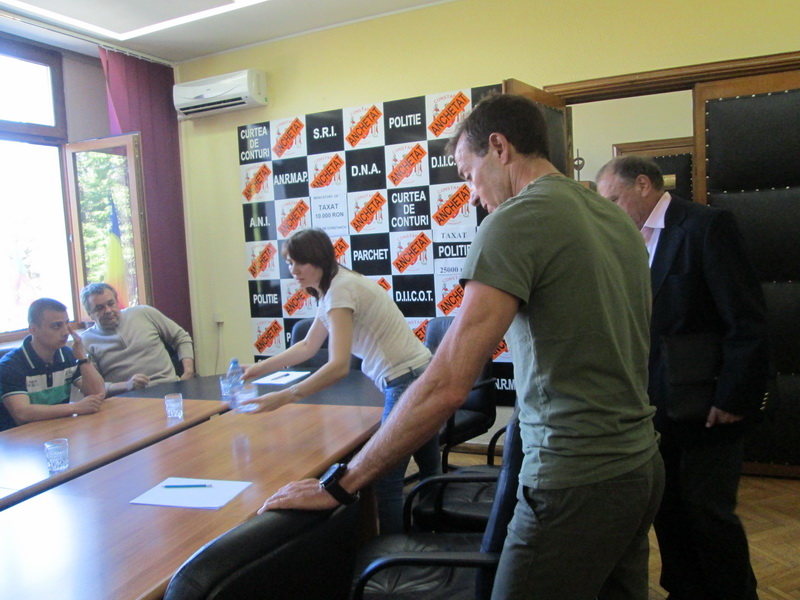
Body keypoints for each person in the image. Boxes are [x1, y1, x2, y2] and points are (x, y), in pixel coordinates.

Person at [260, 94, 664, 600]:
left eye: (469, 174)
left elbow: (447, 384)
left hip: (574, 478)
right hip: (640, 464)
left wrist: (341, 483)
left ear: (499, 147)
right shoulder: (615, 219)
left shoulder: (516, 220)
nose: (471, 194)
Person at [597, 155, 769, 600]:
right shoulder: (623, 243)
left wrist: (733, 397)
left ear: (642, 185)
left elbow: (746, 319)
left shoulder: (706, 227)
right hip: (654, 408)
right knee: (667, 510)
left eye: (612, 200)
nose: (609, 211)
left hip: (709, 406)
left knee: (709, 515)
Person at [240, 227, 440, 535]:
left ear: (318, 259)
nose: (293, 270)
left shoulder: (339, 291)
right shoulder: (336, 286)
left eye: (300, 263)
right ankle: (434, 528)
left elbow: (337, 367)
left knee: (384, 477)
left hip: (406, 381)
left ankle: (393, 549)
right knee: (428, 466)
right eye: (290, 263)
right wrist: (258, 369)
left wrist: (285, 396)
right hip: (420, 373)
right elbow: (308, 346)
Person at [0, 298, 106, 431]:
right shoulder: (10, 365)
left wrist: (82, 359)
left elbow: (97, 394)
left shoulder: (67, 354)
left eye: (67, 324)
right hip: (19, 437)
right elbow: (22, 413)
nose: (66, 332)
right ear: (33, 329)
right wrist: (75, 407)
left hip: (58, 430)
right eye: (56, 326)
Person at [80, 283, 195, 396]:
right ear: (90, 314)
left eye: (111, 303)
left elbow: (181, 337)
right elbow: (94, 388)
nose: (108, 310)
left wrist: (188, 371)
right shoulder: (86, 341)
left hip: (170, 388)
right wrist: (126, 385)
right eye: (99, 308)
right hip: (127, 397)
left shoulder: (143, 313)